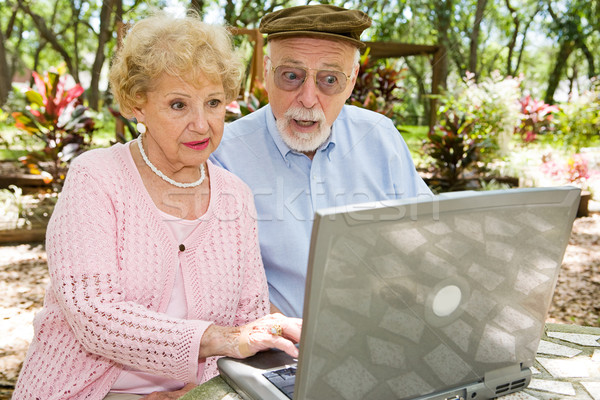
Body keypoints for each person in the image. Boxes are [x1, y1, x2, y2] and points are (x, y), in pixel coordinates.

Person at [13, 12, 301, 400]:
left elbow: (246, 319)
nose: (201, 124)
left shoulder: (236, 195)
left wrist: (200, 391)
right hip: (85, 391)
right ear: (137, 105)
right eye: (179, 105)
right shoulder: (95, 178)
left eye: (213, 102)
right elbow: (94, 316)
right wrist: (216, 339)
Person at [211, 4, 432, 319]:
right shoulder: (224, 155)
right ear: (266, 71)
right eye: (291, 76)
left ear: (352, 81)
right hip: (281, 351)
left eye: (329, 80)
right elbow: (222, 289)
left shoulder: (379, 136)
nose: (308, 98)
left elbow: (427, 241)